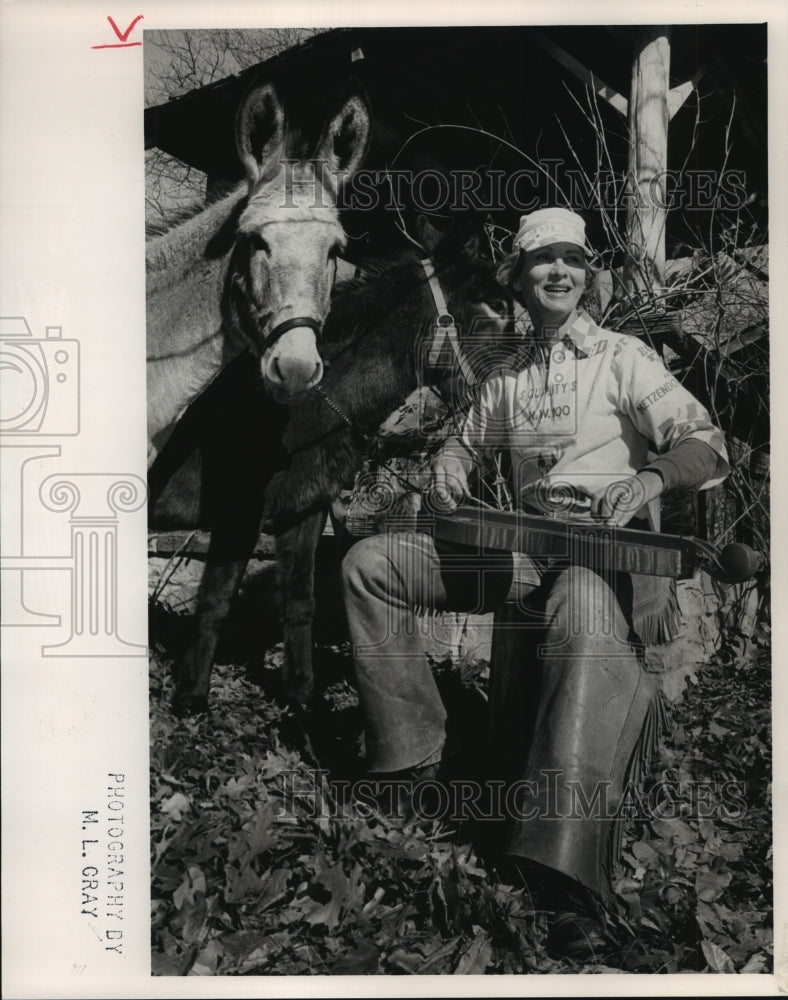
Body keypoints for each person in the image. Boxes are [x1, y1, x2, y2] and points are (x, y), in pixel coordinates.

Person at [340, 207, 729, 958]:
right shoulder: (508, 378)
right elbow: (462, 440)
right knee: (372, 565)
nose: (558, 271)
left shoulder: (625, 358)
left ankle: (563, 875)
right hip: (519, 557)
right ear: (518, 279)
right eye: (541, 260)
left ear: (587, 275)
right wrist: (451, 463)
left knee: (578, 599)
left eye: (572, 260)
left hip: (602, 569)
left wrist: (650, 479)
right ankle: (418, 764)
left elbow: (704, 441)